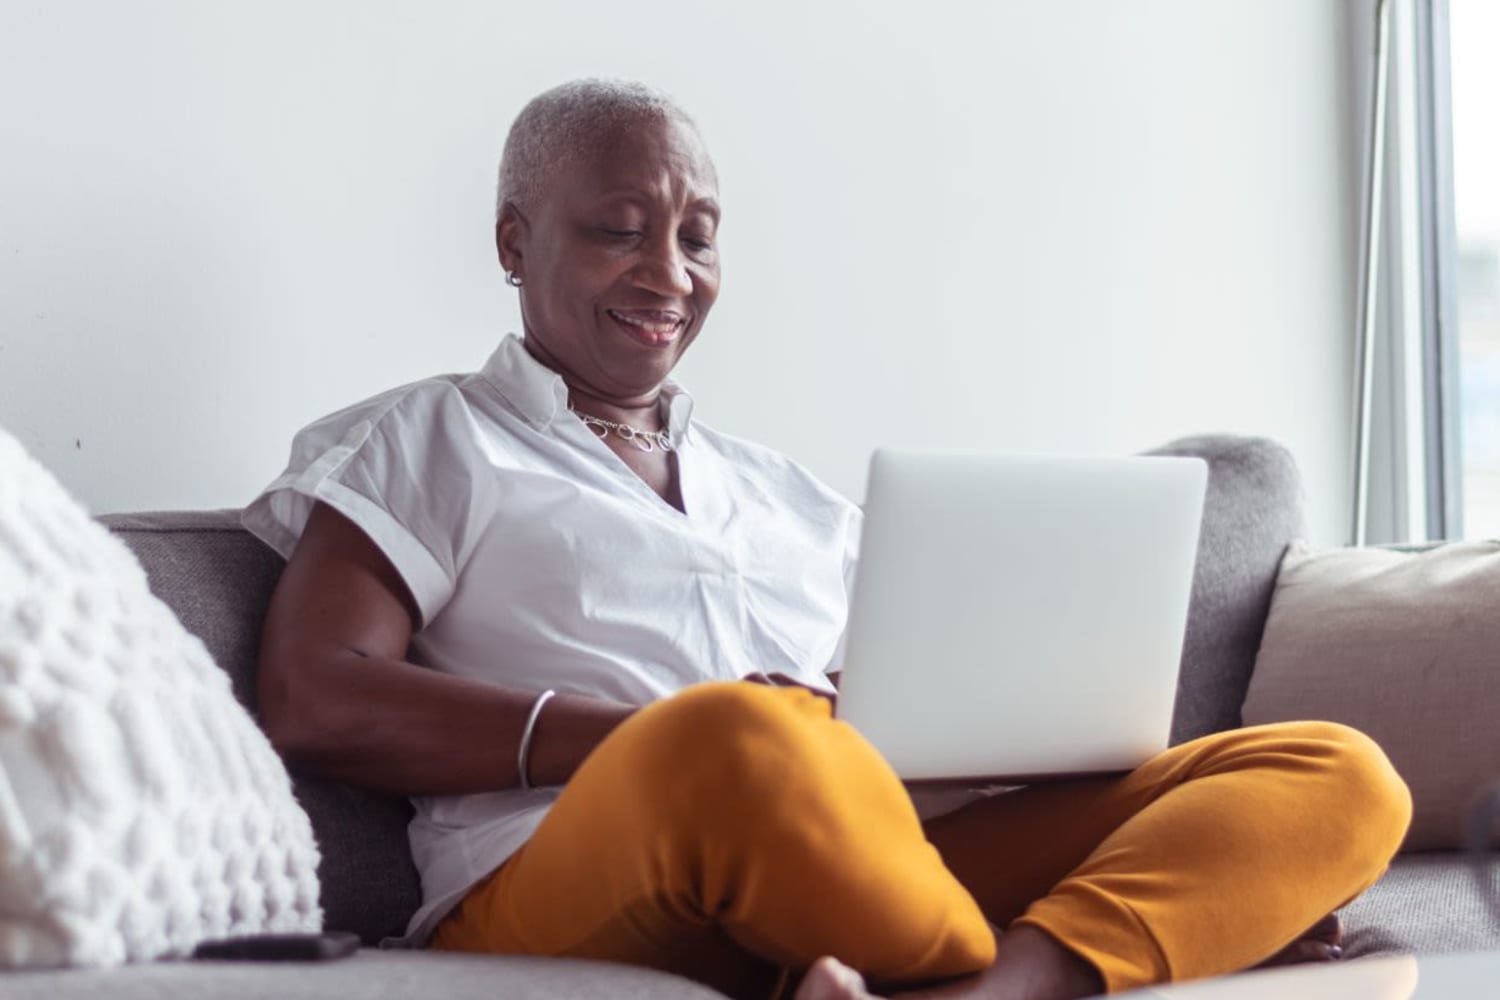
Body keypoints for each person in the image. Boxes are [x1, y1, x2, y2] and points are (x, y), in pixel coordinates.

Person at [242, 79, 1412, 1000]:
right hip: (575, 873)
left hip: (866, 848)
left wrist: (965, 725)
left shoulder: (784, 492)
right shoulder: (435, 436)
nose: (669, 273)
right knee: (744, 734)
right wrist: (657, 734)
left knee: (1335, 772)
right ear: (513, 240)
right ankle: (1070, 953)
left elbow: (893, 724)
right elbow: (314, 691)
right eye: (618, 230)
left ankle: (1001, 981)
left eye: (699, 238)